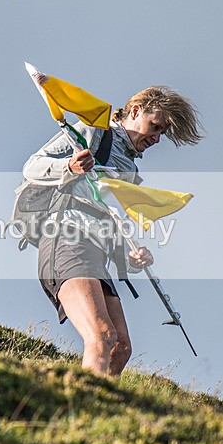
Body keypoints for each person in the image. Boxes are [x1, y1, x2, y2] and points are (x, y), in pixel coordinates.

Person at [23, 86, 203, 377]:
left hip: (97, 253)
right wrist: (69, 166)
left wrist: (131, 258)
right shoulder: (93, 132)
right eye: (155, 127)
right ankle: (82, 401)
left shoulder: (130, 170)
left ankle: (96, 401)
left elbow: (113, 223)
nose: (156, 138)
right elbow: (31, 167)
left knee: (120, 348)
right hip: (67, 238)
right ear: (136, 111)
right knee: (103, 335)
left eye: (162, 133)